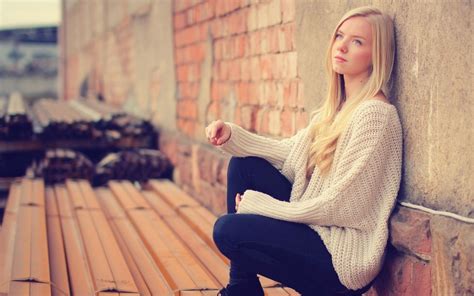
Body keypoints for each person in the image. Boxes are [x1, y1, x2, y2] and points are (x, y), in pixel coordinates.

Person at [205, 6, 402, 296]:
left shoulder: (376, 116)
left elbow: (338, 206)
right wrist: (233, 136)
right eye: (339, 36)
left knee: (227, 230)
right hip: (316, 231)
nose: (342, 46)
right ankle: (242, 288)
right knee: (243, 165)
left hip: (340, 259)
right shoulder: (335, 109)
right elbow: (291, 154)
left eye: (357, 42)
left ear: (377, 55)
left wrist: (259, 205)